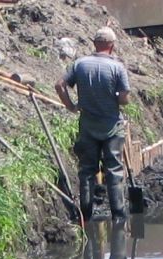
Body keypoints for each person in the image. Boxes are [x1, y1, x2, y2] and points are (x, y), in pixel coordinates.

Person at [55, 27, 131, 221]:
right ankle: (119, 217)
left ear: (95, 44)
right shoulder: (117, 67)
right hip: (112, 128)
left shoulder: (80, 64)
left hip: (88, 126)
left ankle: (85, 216)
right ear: (112, 46)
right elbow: (124, 99)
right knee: (113, 171)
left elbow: (59, 85)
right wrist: (115, 97)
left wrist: (71, 106)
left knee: (87, 171)